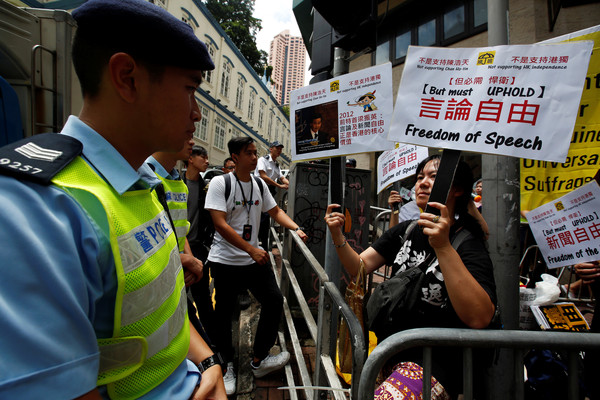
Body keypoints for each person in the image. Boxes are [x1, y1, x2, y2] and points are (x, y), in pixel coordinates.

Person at [0, 0, 227, 399]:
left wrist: (209, 362)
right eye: (190, 89)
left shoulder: (142, 186)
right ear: (127, 78)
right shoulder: (34, 208)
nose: (197, 114)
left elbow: (164, 309)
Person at [325, 154, 496, 398]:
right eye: (419, 177)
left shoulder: (467, 243)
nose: (422, 183)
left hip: (433, 363)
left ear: (457, 189)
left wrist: (444, 248)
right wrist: (337, 235)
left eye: (433, 177)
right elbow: (359, 267)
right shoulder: (407, 229)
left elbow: (480, 317)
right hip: (391, 351)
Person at [205, 136, 308, 395]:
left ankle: (259, 360)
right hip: (226, 261)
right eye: (249, 153)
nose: (254, 157)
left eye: (255, 152)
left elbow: (275, 212)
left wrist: (295, 227)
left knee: (274, 300)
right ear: (235, 157)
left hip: (254, 259)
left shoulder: (259, 185)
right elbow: (220, 224)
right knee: (224, 313)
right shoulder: (220, 183)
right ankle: (226, 364)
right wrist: (251, 249)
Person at [183, 145, 218, 345]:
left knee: (203, 298)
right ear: (191, 158)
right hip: (178, 249)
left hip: (198, 248)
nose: (206, 160)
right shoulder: (175, 183)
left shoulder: (206, 187)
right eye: (202, 157)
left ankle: (212, 345)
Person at [255, 140, 289, 248]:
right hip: (259, 190)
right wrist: (279, 186)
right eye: (277, 148)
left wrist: (290, 185)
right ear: (271, 149)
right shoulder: (262, 160)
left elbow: (282, 178)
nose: (279, 151)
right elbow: (263, 176)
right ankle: (256, 244)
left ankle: (264, 246)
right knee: (259, 217)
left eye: (280, 149)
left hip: (269, 191)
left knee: (266, 220)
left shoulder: (276, 164)